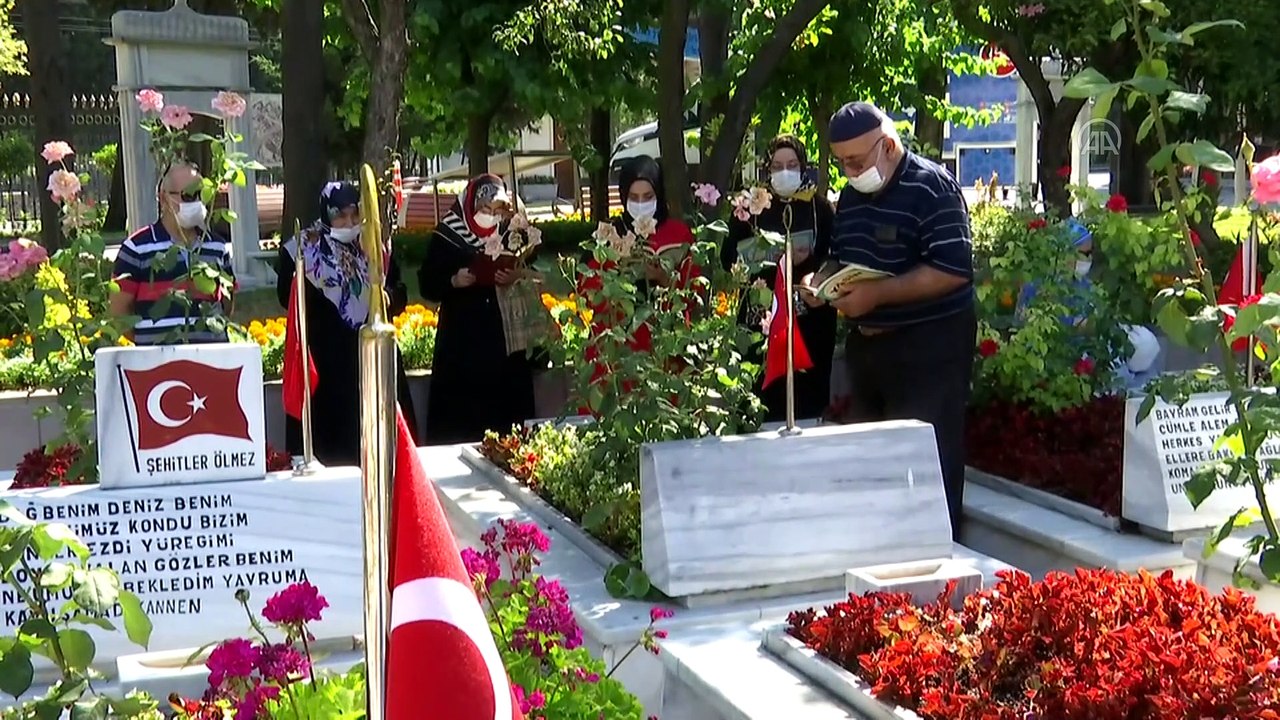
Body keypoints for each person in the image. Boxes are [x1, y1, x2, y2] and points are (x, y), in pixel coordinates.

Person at [816, 101, 976, 539]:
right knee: (875, 468)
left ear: (887, 146)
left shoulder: (933, 188)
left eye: (856, 160)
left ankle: (941, 558)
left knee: (929, 468)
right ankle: (881, 563)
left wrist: (878, 294)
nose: (849, 171)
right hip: (869, 354)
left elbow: (953, 268)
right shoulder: (851, 197)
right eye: (841, 162)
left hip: (928, 351)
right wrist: (821, 285)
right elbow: (841, 257)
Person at [275, 181, 418, 467]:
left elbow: (399, 290)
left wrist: (386, 297)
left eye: (354, 215)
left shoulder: (373, 246)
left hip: (371, 354)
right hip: (326, 360)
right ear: (325, 214)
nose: (348, 222)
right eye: (339, 215)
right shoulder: (301, 249)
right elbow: (285, 297)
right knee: (332, 446)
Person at [724, 135, 837, 421]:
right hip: (761, 315)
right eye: (777, 165)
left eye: (792, 164)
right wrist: (763, 258)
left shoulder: (818, 208)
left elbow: (833, 255)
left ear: (803, 166)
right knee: (761, 396)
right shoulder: (749, 208)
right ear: (767, 168)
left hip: (810, 320)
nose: (784, 171)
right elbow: (728, 257)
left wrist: (809, 261)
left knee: (806, 398)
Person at [418, 174, 538, 444]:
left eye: (496, 210)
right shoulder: (448, 233)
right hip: (462, 345)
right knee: (462, 425)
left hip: (504, 342)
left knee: (509, 423)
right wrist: (453, 280)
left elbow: (534, 269)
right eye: (484, 209)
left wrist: (515, 275)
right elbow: (427, 283)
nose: (491, 216)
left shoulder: (512, 230)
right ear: (471, 205)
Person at [580, 156, 697, 399]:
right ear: (623, 197)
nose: (641, 204)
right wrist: (619, 275)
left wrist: (663, 278)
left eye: (648, 197)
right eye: (634, 198)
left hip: (665, 342)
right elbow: (588, 289)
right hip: (620, 344)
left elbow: (695, 291)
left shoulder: (678, 233)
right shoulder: (609, 234)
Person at [110, 161, 235, 345]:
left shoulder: (217, 246)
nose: (197, 201)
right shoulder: (136, 248)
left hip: (210, 362)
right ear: (164, 198)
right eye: (189, 195)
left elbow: (227, 302)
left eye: (202, 194)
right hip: (158, 365)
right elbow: (119, 313)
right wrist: (151, 340)